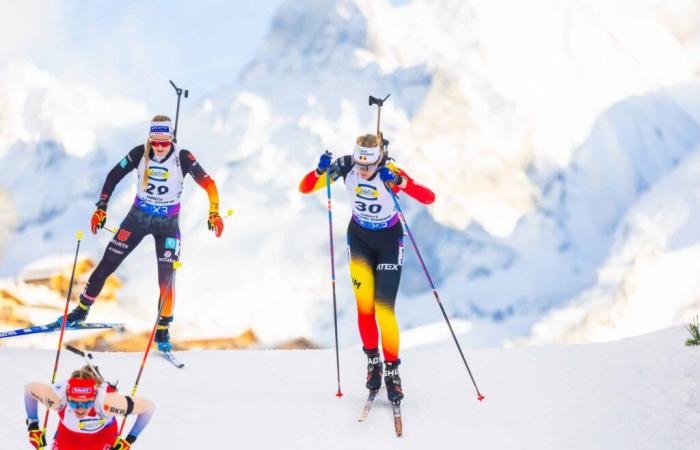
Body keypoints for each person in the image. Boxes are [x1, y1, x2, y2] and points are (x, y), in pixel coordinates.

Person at [58, 115, 224, 351]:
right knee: (107, 264)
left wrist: (214, 212)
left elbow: (210, 184)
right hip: (138, 218)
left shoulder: (183, 158)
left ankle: (164, 329)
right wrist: (101, 208)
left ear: (172, 139)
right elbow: (113, 175)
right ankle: (82, 310)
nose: (158, 146)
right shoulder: (139, 153)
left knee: (166, 282)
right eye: (154, 141)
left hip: (167, 224)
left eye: (164, 142)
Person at [299, 133, 435, 403]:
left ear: (379, 160)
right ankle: (373, 363)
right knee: (365, 308)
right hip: (360, 240)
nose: (362, 171)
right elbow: (305, 188)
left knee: (384, 311)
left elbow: (428, 197)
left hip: (388, 241)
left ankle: (393, 373)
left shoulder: (389, 170)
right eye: (359, 165)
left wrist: (399, 181)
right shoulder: (347, 166)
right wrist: (319, 171)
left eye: (368, 167)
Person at [24, 365, 154, 450]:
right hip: (68, 435)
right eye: (74, 403)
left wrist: (129, 441)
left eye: (87, 403)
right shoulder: (57, 399)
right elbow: (29, 389)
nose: (80, 409)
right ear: (67, 396)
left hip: (102, 435)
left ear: (94, 396)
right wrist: (33, 426)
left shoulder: (108, 403)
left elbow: (149, 408)